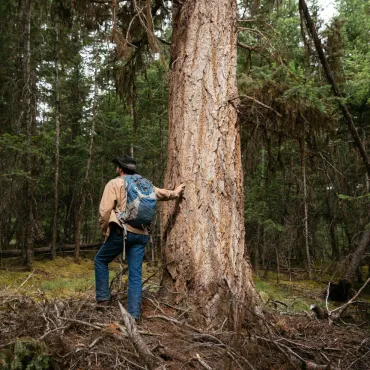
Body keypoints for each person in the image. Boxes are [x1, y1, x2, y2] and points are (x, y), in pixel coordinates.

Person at [94, 154, 185, 320]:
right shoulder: (145, 183)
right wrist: (176, 192)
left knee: (100, 260)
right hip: (142, 234)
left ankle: (103, 301)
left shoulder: (114, 183)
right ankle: (134, 315)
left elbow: (105, 211)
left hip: (121, 232)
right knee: (135, 274)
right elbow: (162, 194)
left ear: (120, 169)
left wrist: (105, 229)